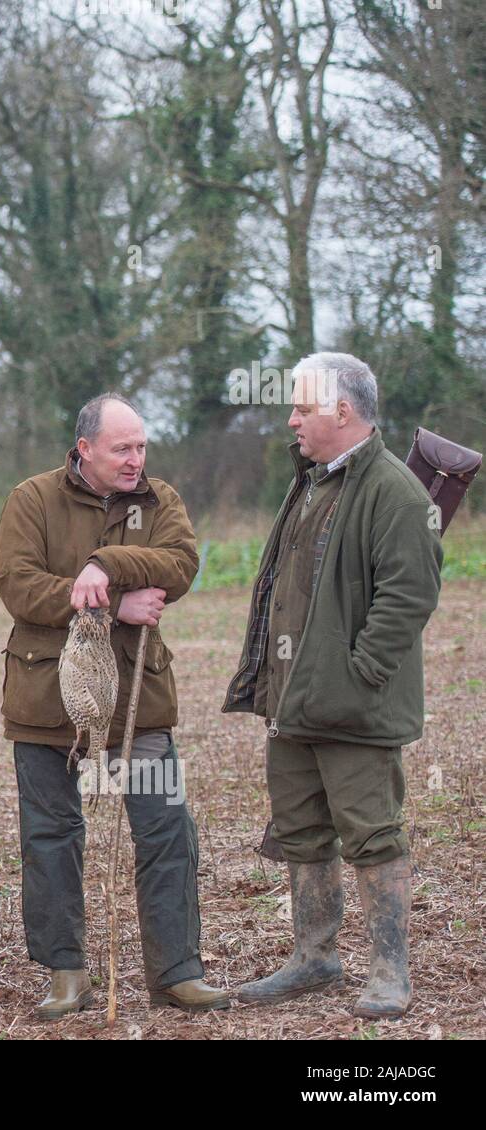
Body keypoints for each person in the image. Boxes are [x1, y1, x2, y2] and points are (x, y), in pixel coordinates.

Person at [0, 393, 228, 1017]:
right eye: (122, 448)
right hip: (47, 703)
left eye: (142, 446)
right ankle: (66, 975)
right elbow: (16, 584)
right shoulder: (31, 499)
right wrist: (102, 601)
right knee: (50, 835)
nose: (135, 460)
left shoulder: (160, 500)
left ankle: (177, 973)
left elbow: (180, 563)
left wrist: (107, 563)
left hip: (138, 703)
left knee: (166, 830)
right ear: (85, 450)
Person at [227, 353, 442, 1018]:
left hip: (354, 709)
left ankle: (389, 973)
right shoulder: (314, 482)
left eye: (302, 408)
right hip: (294, 703)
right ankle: (314, 959)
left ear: (342, 412)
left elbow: (410, 595)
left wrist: (359, 673)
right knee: (302, 831)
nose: (291, 419)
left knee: (373, 835)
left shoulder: (396, 492)